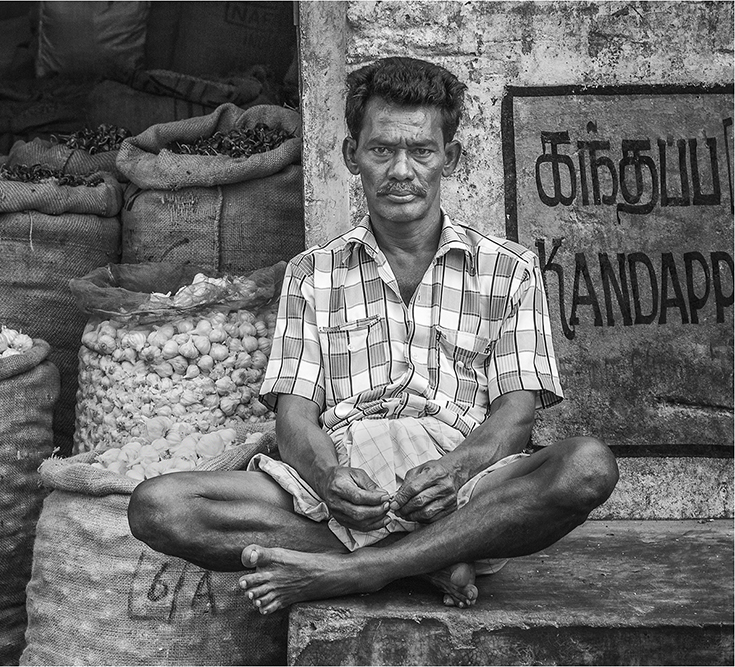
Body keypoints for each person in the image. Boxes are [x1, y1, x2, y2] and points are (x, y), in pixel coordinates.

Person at [127, 56, 619, 615]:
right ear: (351, 156)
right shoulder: (313, 273)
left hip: (459, 488)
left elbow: (516, 415)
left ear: (449, 159)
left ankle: (361, 569)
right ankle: (427, 563)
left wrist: (455, 469)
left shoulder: (509, 269)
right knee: (161, 506)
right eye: (382, 150)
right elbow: (295, 417)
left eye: (421, 151)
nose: (401, 170)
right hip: (339, 493)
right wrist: (329, 475)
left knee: (586, 466)